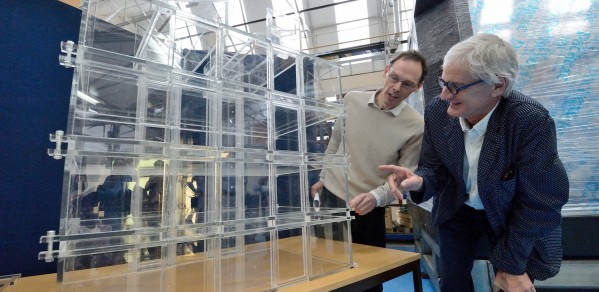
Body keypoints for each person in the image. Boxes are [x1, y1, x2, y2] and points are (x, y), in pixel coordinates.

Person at [379, 33, 569, 292]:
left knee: (511, 282)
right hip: (458, 208)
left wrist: (512, 267)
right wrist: (420, 180)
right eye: (443, 82)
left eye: (455, 86)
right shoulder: (438, 111)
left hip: (509, 214)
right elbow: (435, 167)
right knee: (453, 282)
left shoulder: (528, 121)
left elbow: (542, 202)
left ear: (498, 86)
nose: (445, 95)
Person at [310, 50, 426, 270]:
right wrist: (323, 178)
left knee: (369, 274)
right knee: (326, 266)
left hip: (367, 206)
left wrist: (376, 197)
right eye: (394, 78)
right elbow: (335, 143)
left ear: (418, 87)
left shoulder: (416, 125)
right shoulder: (352, 100)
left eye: (407, 84)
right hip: (330, 198)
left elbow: (403, 175)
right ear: (385, 72)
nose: (396, 88)